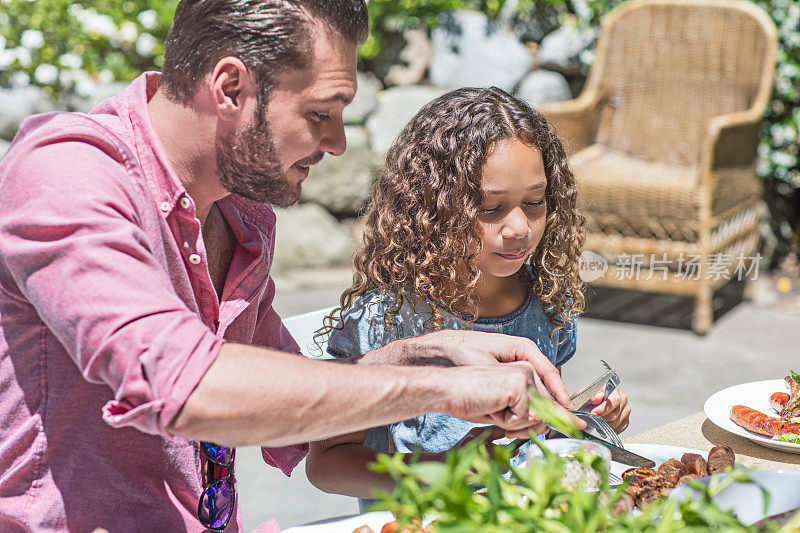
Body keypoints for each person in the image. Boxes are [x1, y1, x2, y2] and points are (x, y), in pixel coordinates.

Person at [0, 2, 579, 532]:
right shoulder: (69, 174)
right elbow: (185, 386)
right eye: (321, 113)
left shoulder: (239, 215)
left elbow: (294, 392)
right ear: (230, 88)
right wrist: (441, 386)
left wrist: (426, 351)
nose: (339, 143)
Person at [305, 87, 631, 506]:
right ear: (432, 208)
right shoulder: (388, 322)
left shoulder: (545, 301)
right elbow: (327, 464)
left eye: (534, 201)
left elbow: (535, 434)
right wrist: (452, 469)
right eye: (490, 208)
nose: (518, 227)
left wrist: (583, 419)